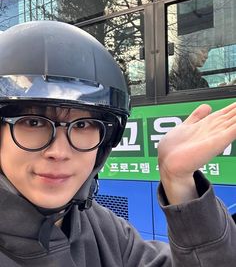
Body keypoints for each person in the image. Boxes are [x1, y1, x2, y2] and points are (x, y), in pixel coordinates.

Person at [0, 21, 235, 267]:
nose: (59, 152)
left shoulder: (103, 231)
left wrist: (179, 182)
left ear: (105, 142)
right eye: (34, 123)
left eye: (81, 126)